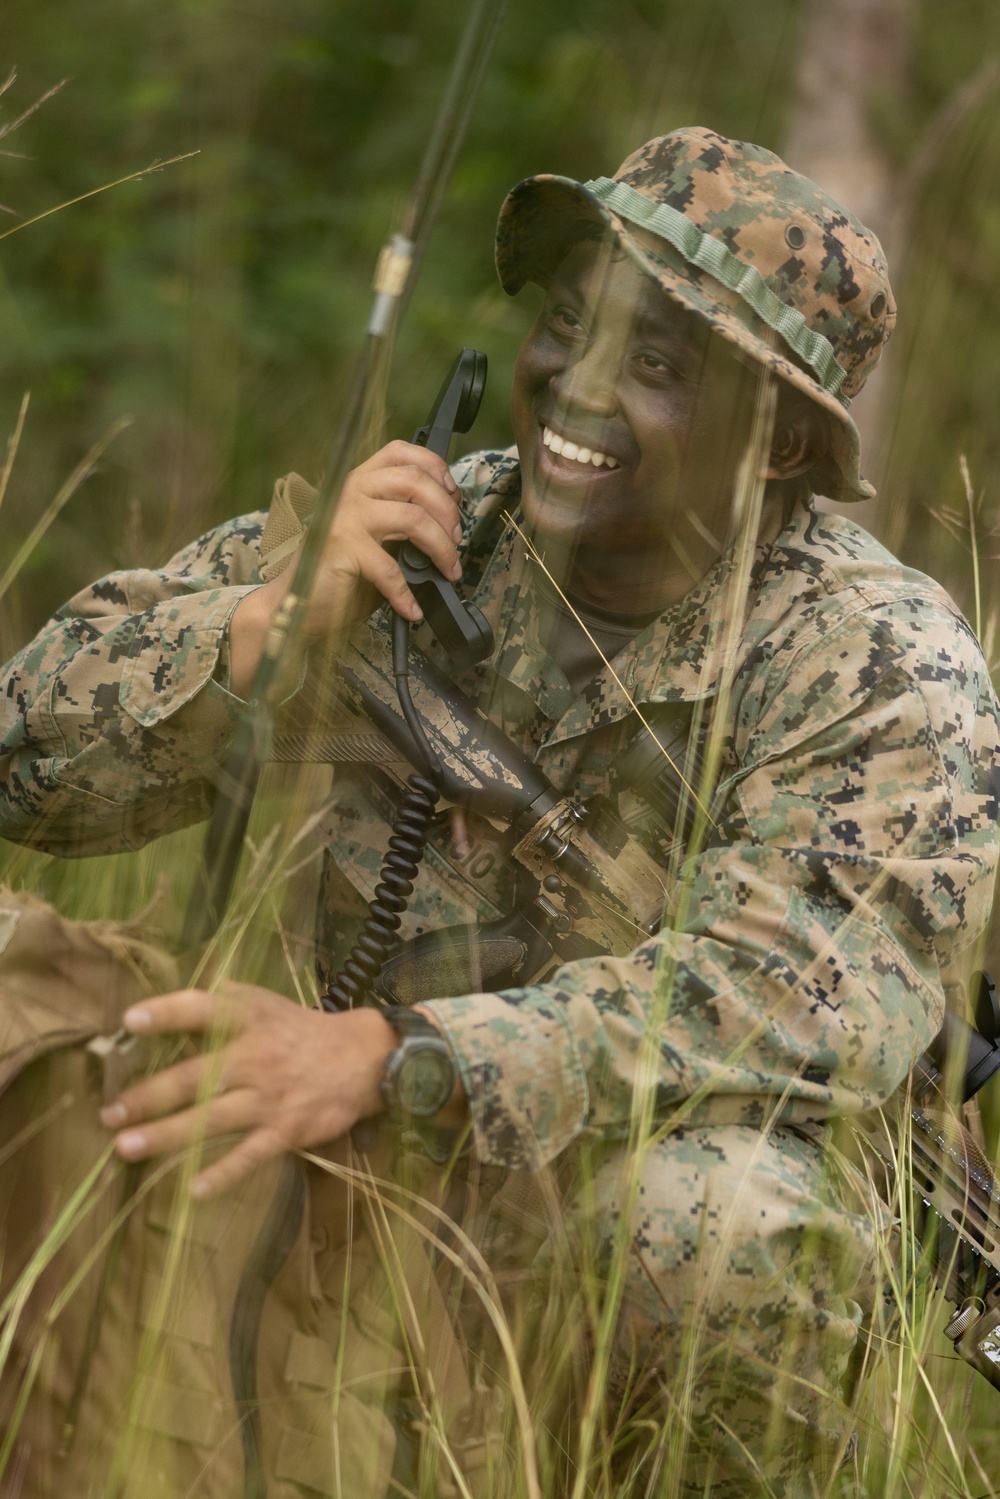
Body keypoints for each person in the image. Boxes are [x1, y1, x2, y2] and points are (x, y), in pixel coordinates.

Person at [2, 127, 999, 1496]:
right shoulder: (417, 535)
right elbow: (20, 759)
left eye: (656, 364)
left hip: (575, 1214)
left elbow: (785, 996)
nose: (574, 386)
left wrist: (400, 1057)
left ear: (775, 448)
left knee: (710, 1225)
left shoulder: (879, 661)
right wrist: (257, 636)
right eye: (569, 324)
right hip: (323, 1170)